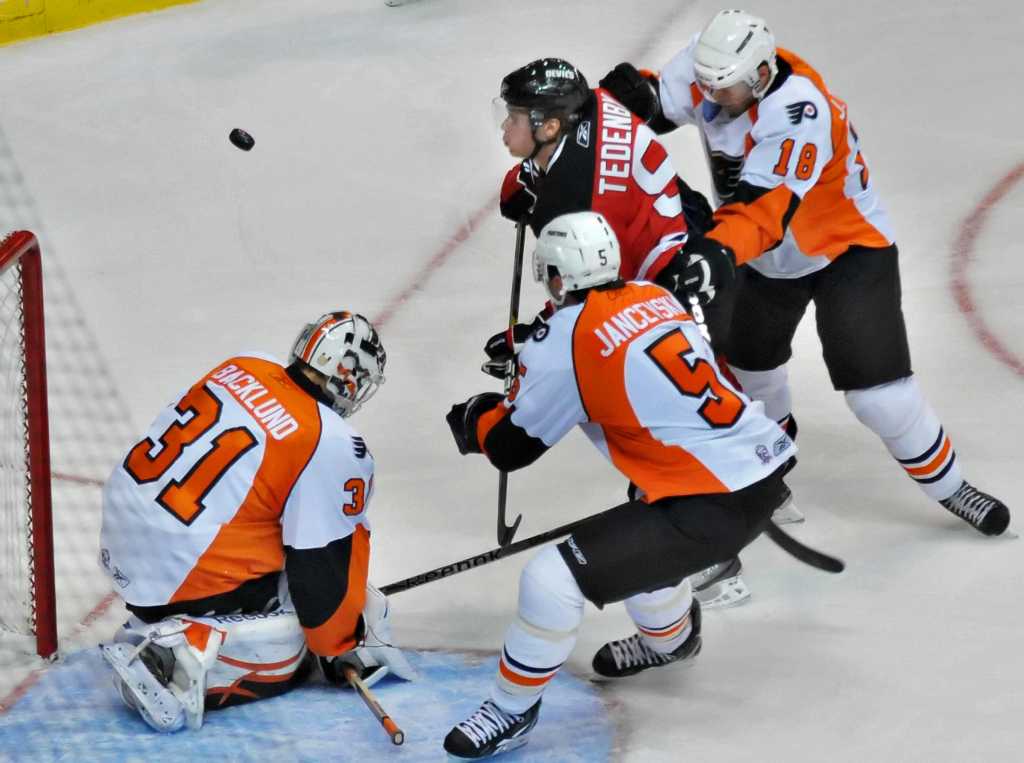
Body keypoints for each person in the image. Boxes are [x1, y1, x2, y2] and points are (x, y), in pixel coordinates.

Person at [598, 9, 1010, 538]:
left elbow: (762, 212)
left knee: (879, 396)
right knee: (748, 375)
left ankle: (952, 487)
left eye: (722, 89)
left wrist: (714, 255)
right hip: (766, 257)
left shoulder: (798, 111)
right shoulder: (718, 62)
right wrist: (589, 116)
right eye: (705, 84)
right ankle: (770, 475)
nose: (708, 96)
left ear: (763, 76)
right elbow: (653, 104)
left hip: (844, 250)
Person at [443, 211, 796, 760]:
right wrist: (534, 345)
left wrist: (476, 416)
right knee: (642, 536)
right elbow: (609, 347)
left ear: (558, 277)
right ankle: (672, 641)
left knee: (551, 580)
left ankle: (511, 711)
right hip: (757, 472)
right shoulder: (651, 294)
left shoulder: (565, 344)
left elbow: (513, 448)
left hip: (707, 503)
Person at [490, 56, 801, 609]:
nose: (505, 127)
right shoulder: (592, 106)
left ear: (551, 125)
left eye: (515, 117)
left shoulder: (571, 198)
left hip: (671, 282)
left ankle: (712, 557)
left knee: (655, 411)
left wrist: (530, 342)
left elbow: (578, 301)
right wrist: (525, 181)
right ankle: (749, 486)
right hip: (678, 237)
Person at [97, 310, 415, 733]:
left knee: (276, 540)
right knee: (297, 640)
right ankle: (179, 656)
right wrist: (343, 642)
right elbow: (321, 579)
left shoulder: (244, 364)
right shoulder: (332, 439)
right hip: (180, 573)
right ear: (348, 375)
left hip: (124, 536)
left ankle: (164, 621)